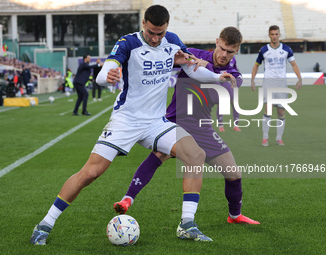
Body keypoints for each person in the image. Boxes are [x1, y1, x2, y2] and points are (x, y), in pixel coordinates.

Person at [30, 5, 235, 245]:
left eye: (160, 33)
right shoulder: (128, 42)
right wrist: (107, 76)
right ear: (143, 23)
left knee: (195, 154)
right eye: (151, 32)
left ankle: (187, 224)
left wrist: (216, 77)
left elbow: (191, 67)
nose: (155, 38)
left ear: (167, 27)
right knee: (90, 173)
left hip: (156, 122)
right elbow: (105, 70)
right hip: (126, 120)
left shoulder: (173, 41)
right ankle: (45, 224)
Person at [113, 26, 260, 227]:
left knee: (233, 173)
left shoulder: (233, 72)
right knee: (159, 155)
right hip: (176, 120)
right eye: (223, 48)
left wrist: (207, 66)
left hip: (202, 127)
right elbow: (163, 63)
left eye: (230, 51)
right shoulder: (193, 54)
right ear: (217, 41)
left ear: (237, 51)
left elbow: (230, 85)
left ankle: (234, 215)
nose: (225, 54)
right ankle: (127, 199)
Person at [251, 25, 302, 146]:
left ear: (279, 35)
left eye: (276, 34)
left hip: (282, 84)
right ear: (269, 35)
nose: (274, 36)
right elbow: (256, 65)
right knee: (268, 110)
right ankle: (265, 138)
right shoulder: (264, 50)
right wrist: (252, 80)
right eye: (272, 34)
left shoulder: (286, 49)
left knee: (281, 112)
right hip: (268, 83)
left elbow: (294, 64)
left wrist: (299, 78)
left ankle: (279, 138)